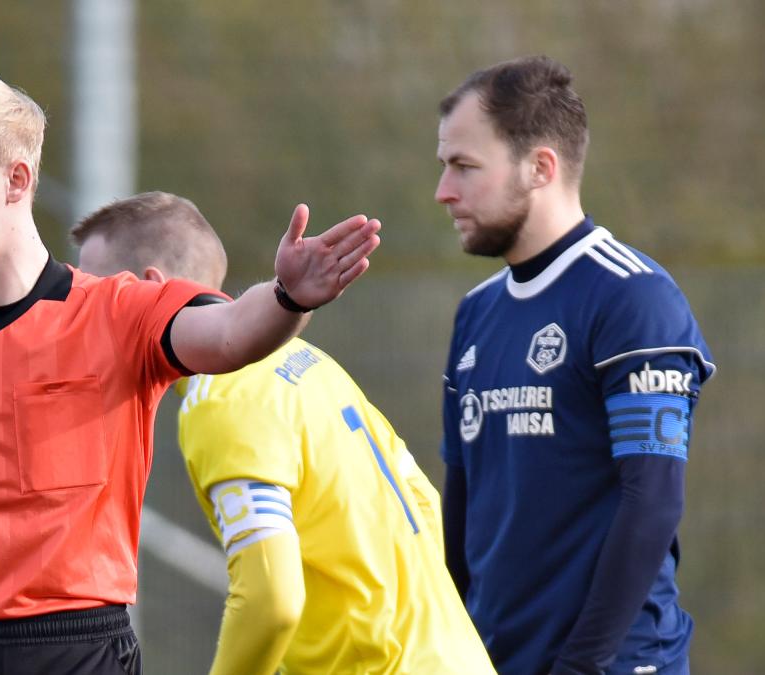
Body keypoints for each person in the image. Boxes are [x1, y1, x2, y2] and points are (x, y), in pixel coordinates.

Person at [0, 68, 379, 675]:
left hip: (77, 652)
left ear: (15, 181)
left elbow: (229, 336)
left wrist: (289, 295)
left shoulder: (117, 311)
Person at [74, 191, 495, 675]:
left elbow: (271, 599)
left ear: (150, 290)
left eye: (97, 295)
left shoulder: (223, 398)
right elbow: (423, 508)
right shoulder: (312, 366)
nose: (84, 315)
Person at [434, 56, 714, 675]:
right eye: (444, 167)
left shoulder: (633, 299)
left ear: (540, 167)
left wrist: (582, 665)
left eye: (464, 167)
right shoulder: (475, 315)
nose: (444, 191)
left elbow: (652, 503)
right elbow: (460, 514)